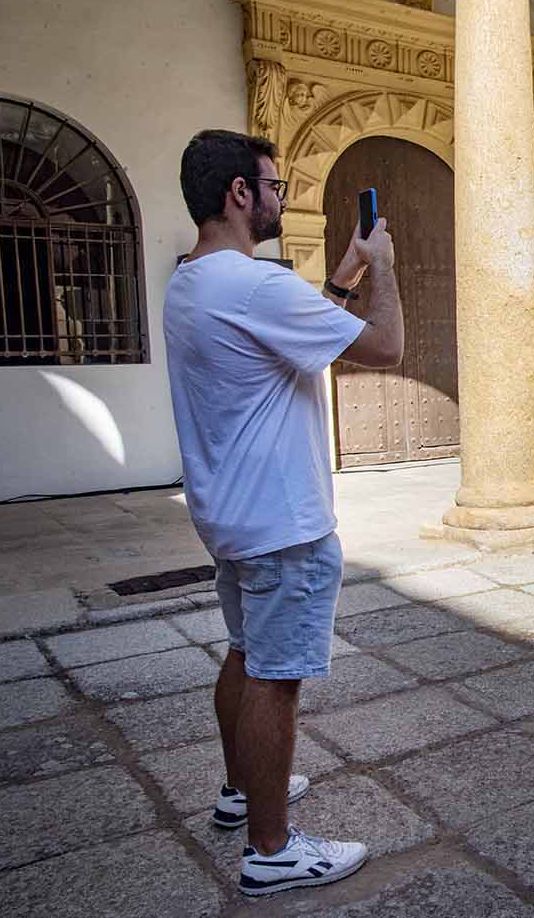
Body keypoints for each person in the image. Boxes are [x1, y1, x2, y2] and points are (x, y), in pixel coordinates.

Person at [165, 129, 403, 895]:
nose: (279, 198)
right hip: (283, 522)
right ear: (239, 193)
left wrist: (341, 276)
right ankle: (271, 850)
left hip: (230, 514)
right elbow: (384, 347)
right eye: (272, 186)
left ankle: (242, 793)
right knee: (276, 677)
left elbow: (300, 342)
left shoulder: (192, 281)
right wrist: (385, 271)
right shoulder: (256, 285)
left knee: (243, 652)